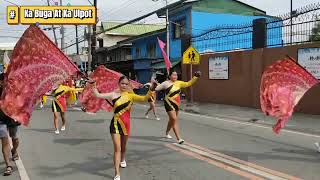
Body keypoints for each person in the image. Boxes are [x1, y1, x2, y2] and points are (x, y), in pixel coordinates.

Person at [92, 75, 155, 180]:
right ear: (119, 84)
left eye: (126, 84)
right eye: (122, 83)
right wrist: (93, 85)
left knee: (123, 147)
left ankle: (123, 158)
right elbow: (98, 95)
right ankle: (117, 173)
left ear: (128, 85)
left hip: (126, 125)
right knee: (117, 148)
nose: (124, 85)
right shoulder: (113, 95)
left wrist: (151, 89)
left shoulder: (131, 96)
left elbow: (145, 98)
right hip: (115, 124)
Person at [154, 70, 201, 144]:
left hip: (177, 103)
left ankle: (167, 132)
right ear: (169, 76)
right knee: (174, 119)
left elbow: (188, 83)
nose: (175, 76)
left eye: (176, 75)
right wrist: (154, 85)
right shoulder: (166, 83)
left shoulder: (179, 83)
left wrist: (196, 77)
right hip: (168, 103)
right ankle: (179, 138)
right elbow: (156, 88)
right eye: (173, 75)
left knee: (172, 120)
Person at [0, 73, 20, 176]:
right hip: (1, 120)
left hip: (12, 118)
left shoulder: (13, 91)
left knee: (15, 139)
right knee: (5, 142)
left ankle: (14, 150)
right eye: (5, 81)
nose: (7, 83)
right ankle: (8, 166)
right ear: (1, 82)